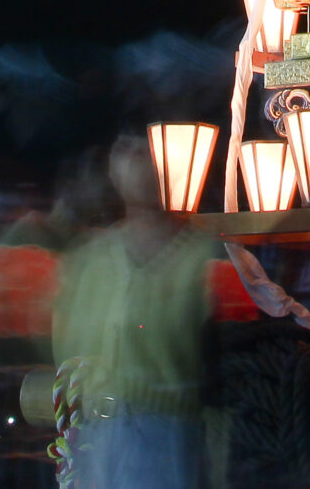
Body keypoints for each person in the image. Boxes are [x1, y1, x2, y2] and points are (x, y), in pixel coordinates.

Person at [49, 136, 218, 489]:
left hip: (173, 432)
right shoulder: (91, 258)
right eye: (124, 149)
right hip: (100, 434)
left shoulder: (204, 255)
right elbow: (65, 343)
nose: (136, 160)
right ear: (112, 169)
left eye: (146, 149)